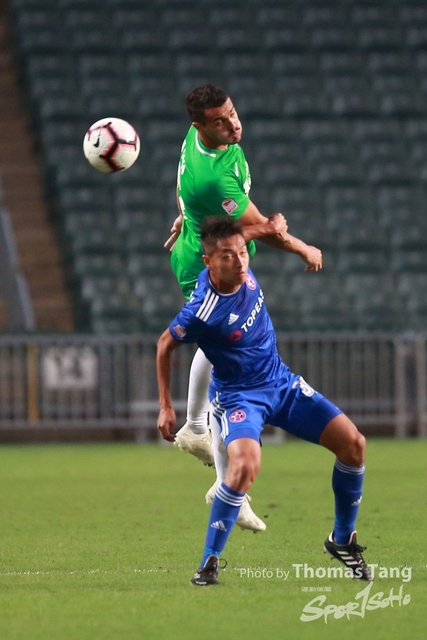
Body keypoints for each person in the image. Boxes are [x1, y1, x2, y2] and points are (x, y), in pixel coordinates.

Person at [157, 216, 372, 586]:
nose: (240, 261)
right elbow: (165, 345)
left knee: (354, 445)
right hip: (239, 397)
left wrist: (279, 232)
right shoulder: (203, 309)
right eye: (228, 256)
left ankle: (342, 539)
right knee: (244, 469)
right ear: (209, 262)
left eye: (242, 253)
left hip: (281, 382)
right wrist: (165, 405)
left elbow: (250, 233)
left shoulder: (240, 257)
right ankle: (208, 563)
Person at [164, 83, 323, 531]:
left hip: (206, 247)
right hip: (207, 263)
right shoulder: (214, 179)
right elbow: (262, 228)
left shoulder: (201, 139)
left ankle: (198, 431)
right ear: (200, 126)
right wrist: (302, 247)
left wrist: (187, 213)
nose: (232, 124)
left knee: (223, 349)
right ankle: (218, 470)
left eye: (231, 112)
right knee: (228, 358)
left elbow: (183, 186)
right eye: (220, 121)